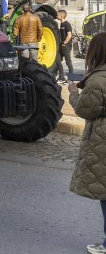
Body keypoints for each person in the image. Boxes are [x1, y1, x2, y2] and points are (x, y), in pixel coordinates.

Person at [69, 32, 106, 254]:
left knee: (105, 194)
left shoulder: (98, 78)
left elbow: (85, 110)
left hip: (103, 140)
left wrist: (73, 92)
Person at [58, 9, 74, 82]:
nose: (56, 16)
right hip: (62, 45)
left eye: (57, 15)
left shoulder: (67, 24)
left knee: (68, 62)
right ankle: (61, 77)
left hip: (66, 46)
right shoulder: (61, 24)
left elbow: (69, 35)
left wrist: (64, 43)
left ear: (61, 16)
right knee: (57, 60)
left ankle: (71, 78)